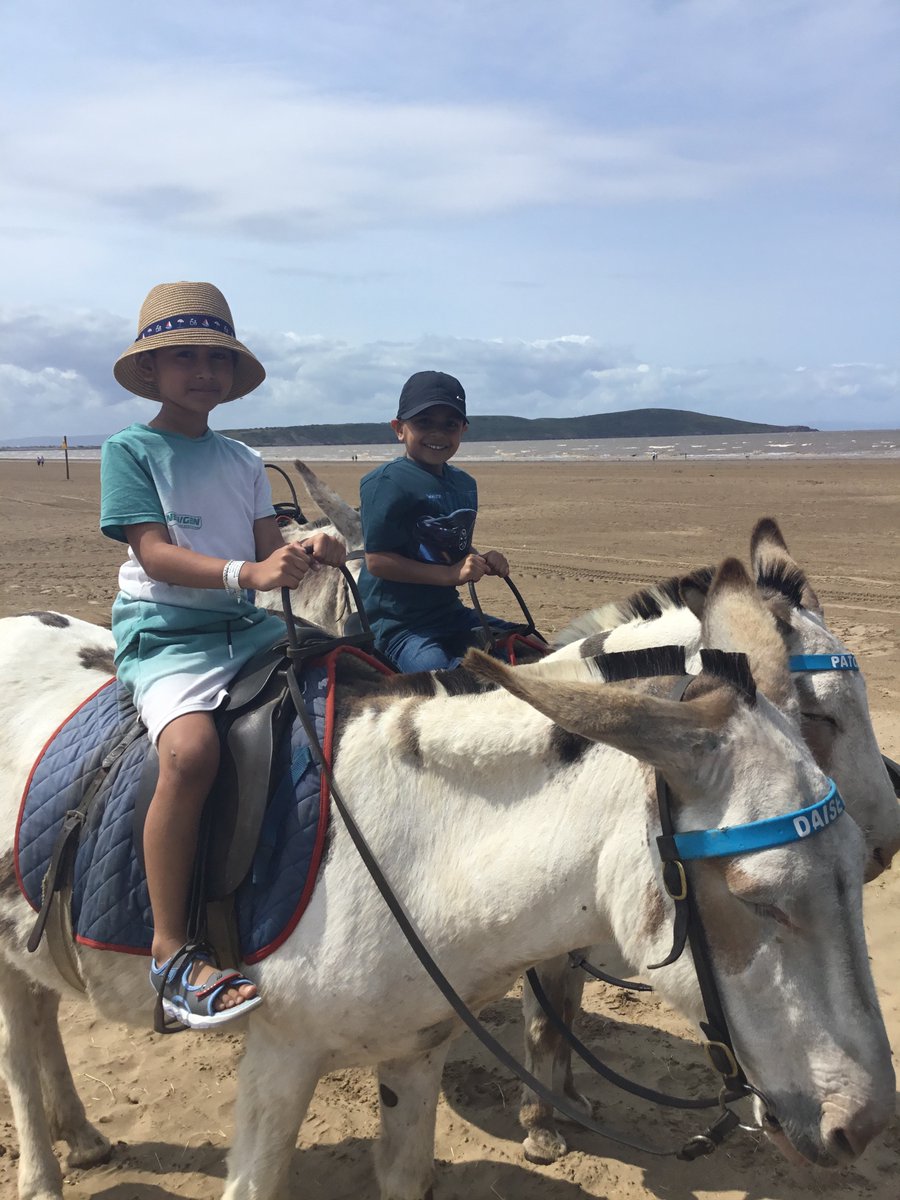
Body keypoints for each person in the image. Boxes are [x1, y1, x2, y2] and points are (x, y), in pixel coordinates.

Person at [100, 281, 345, 1030]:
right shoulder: (130, 450)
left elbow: (272, 550)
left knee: (353, 694)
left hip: (248, 629)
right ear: (152, 372)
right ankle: (172, 952)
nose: (202, 372)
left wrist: (309, 547)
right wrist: (250, 575)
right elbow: (158, 554)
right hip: (167, 632)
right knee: (191, 755)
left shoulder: (242, 459)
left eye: (216, 358)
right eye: (184, 358)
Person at [358, 370, 512, 672]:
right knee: (442, 674)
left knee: (521, 645)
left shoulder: (464, 484)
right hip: (397, 623)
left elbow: (449, 546)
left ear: (463, 429)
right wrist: (450, 575)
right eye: (424, 422)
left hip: (449, 613)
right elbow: (377, 560)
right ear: (399, 428)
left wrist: (480, 559)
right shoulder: (386, 482)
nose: (438, 434)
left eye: (449, 425)